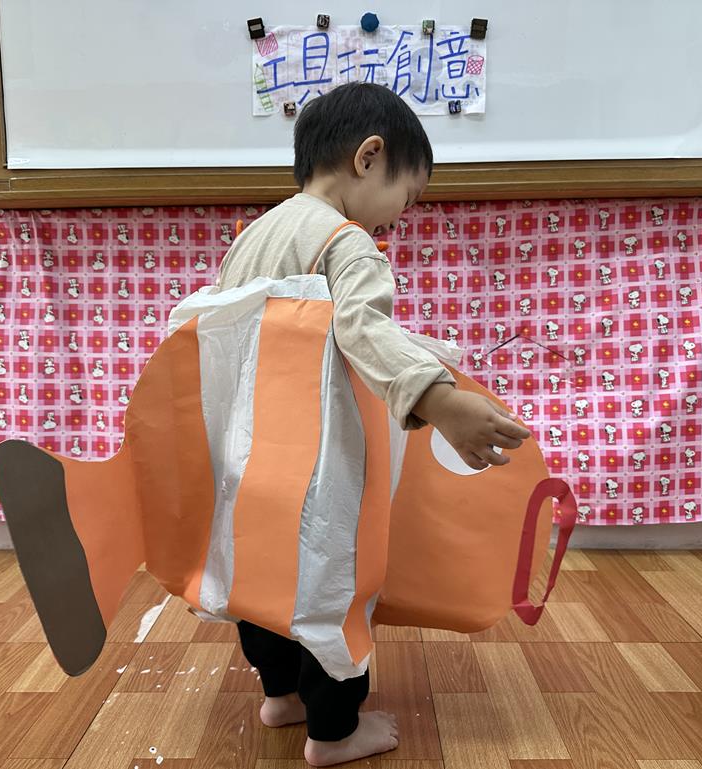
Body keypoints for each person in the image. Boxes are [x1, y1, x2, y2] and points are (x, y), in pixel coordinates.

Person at [216, 82, 531, 767]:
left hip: (245, 459)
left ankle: (281, 696)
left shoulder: (252, 238)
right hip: (315, 462)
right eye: (407, 197)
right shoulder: (345, 241)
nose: (399, 217)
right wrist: (439, 400)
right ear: (368, 157)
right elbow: (362, 329)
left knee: (259, 579)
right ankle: (333, 733)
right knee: (333, 588)